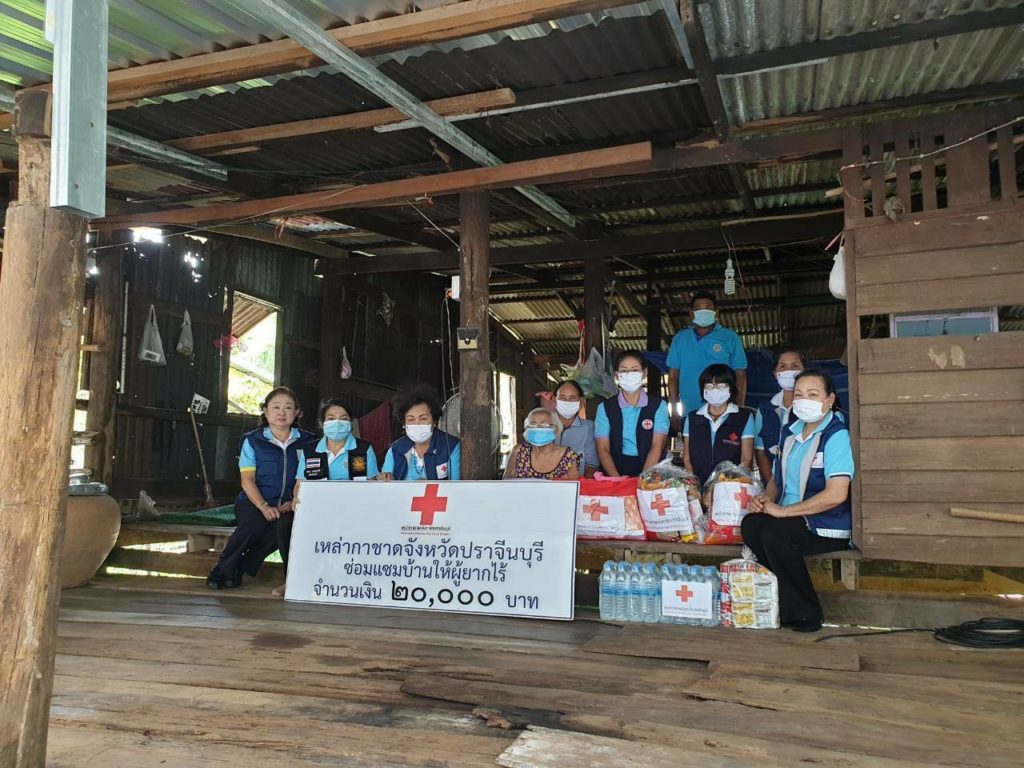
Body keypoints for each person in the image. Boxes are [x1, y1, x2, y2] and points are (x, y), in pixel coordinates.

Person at [744, 370, 854, 633]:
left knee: (775, 533)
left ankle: (807, 613)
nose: (804, 400)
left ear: (829, 400)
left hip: (825, 523)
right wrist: (765, 500)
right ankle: (779, 602)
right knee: (751, 524)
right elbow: (777, 480)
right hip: (789, 519)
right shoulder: (790, 433)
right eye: (799, 395)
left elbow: (837, 494)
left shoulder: (837, 435)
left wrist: (783, 512)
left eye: (813, 395)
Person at [206, 387, 314, 590]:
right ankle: (223, 569)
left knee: (282, 527)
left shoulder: (309, 442)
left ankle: (239, 567)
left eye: (288, 407)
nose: (281, 412)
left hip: (291, 504)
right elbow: (247, 480)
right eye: (276, 407)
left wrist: (293, 502)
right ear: (265, 411)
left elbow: (312, 477)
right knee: (253, 523)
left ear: (297, 412)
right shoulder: (253, 441)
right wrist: (263, 506)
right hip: (254, 500)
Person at [277, 399, 379, 597]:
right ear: (322, 423)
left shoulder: (363, 449)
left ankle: (350, 580)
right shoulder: (310, 450)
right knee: (285, 524)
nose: (337, 423)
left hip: (353, 511)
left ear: (351, 422)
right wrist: (297, 498)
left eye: (343, 418)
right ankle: (293, 579)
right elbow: (300, 484)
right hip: (317, 511)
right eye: (331, 419)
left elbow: (373, 484)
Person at [667, 290, 748, 434]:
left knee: (725, 447)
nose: (703, 312)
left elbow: (740, 374)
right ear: (691, 314)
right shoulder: (680, 338)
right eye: (698, 309)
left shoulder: (730, 337)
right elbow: (673, 377)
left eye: (708, 308)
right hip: (690, 412)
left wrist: (739, 407)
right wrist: (674, 410)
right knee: (692, 447)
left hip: (723, 411)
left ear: (716, 312)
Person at [594, 350, 670, 477]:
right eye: (624, 371)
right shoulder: (605, 408)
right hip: (613, 469)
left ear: (644, 373)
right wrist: (617, 479)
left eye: (635, 370)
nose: (629, 374)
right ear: (616, 375)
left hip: (650, 469)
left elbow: (657, 447)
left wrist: (643, 479)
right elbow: (603, 449)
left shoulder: (658, 406)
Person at [682, 364, 755, 484]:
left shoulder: (744, 417)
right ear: (703, 389)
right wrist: (694, 484)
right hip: (697, 485)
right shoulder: (692, 418)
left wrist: (726, 485)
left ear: (731, 388)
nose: (714, 390)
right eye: (709, 386)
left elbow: (746, 459)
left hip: (731, 486)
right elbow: (687, 458)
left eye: (721, 386)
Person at [376, 385, 461, 481]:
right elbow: (385, 484)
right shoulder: (395, 450)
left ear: (434, 420)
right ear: (404, 423)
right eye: (411, 419)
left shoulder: (451, 447)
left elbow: (456, 486)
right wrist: (385, 479)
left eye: (423, 418)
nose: (417, 424)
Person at [754, 349, 806, 483]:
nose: (789, 371)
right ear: (775, 374)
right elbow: (760, 452)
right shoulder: (765, 410)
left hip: (807, 483)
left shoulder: (813, 408)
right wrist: (773, 486)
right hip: (775, 484)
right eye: (782, 366)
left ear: (805, 371)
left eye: (795, 366)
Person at [504, 407, 581, 480]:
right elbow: (506, 483)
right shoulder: (518, 451)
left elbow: (574, 486)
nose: (538, 428)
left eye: (544, 425)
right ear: (527, 429)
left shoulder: (568, 456)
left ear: (555, 428)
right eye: (533, 424)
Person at [552, 380, 598, 478]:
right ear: (555, 401)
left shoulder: (589, 427)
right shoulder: (544, 425)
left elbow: (591, 465)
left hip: (578, 483)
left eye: (573, 398)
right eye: (562, 398)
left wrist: (582, 484)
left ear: (581, 402)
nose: (567, 402)